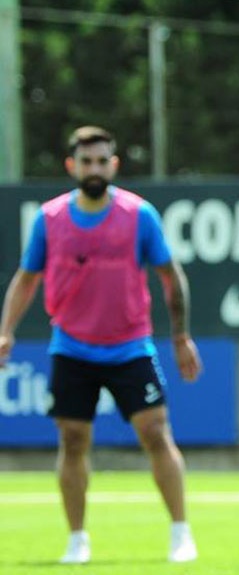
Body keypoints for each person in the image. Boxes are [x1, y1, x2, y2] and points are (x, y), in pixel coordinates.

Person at [0, 126, 203, 564]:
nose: (95, 168)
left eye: (102, 160)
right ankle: (77, 539)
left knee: (154, 432)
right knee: (72, 440)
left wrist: (181, 335)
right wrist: (6, 330)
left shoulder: (139, 216)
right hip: (72, 347)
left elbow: (172, 275)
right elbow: (26, 278)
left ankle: (180, 532)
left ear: (114, 165)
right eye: (86, 161)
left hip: (131, 346)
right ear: (72, 166)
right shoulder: (50, 220)